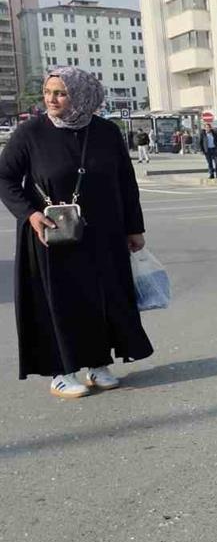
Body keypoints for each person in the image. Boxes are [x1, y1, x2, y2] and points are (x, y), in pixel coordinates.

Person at [0, 67, 153, 399]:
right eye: (47, 92)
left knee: (102, 297)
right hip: (52, 234)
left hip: (104, 234)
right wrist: (30, 214)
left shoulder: (106, 132)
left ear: (82, 96)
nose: (51, 100)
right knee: (61, 301)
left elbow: (126, 182)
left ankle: (98, 363)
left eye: (61, 93)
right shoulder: (31, 132)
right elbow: (5, 178)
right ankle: (61, 370)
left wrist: (134, 228)